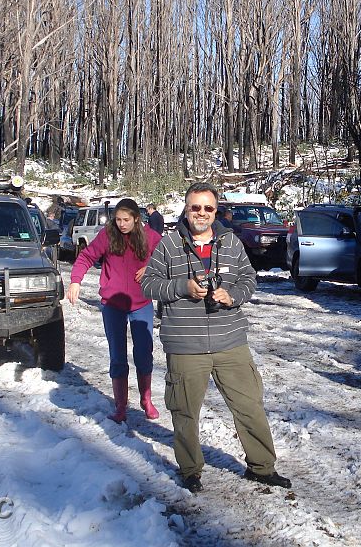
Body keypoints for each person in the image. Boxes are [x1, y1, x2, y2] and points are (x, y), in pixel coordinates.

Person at [141, 182, 291, 493]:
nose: (202, 213)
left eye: (208, 208)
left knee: (250, 405)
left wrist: (232, 294)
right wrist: (183, 287)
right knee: (184, 412)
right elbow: (149, 284)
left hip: (230, 341)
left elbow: (249, 278)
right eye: (195, 207)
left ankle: (262, 468)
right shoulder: (168, 245)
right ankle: (190, 470)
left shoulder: (231, 243)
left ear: (216, 211)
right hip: (185, 345)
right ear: (186, 209)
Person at [68, 198, 163, 423]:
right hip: (113, 305)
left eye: (126, 220)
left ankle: (146, 400)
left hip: (141, 304)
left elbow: (168, 257)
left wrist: (150, 267)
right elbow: (86, 256)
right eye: (118, 219)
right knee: (117, 355)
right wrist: (75, 281)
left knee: (143, 353)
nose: (121, 224)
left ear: (136, 219)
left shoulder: (150, 237)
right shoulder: (107, 236)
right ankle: (120, 405)